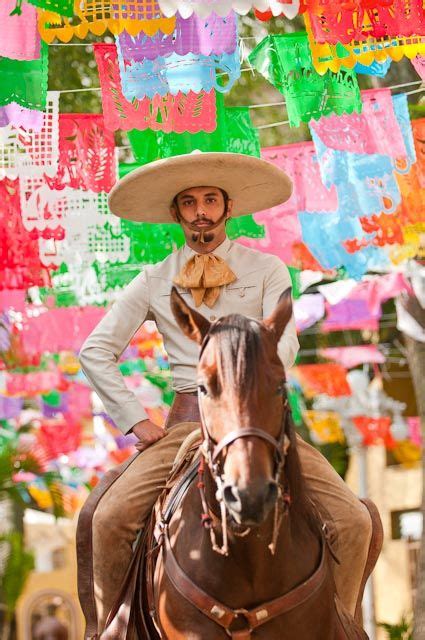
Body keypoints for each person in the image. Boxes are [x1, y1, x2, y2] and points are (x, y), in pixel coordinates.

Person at [77, 152, 374, 639]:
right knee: (106, 518)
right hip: (187, 425)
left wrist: (250, 381)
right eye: (189, 202)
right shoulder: (153, 278)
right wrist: (136, 420)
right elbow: (95, 350)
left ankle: (339, 624)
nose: (200, 211)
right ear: (177, 215)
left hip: (259, 418)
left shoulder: (268, 268)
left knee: (354, 521)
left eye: (209, 200)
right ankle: (107, 630)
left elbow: (286, 341)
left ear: (227, 207)